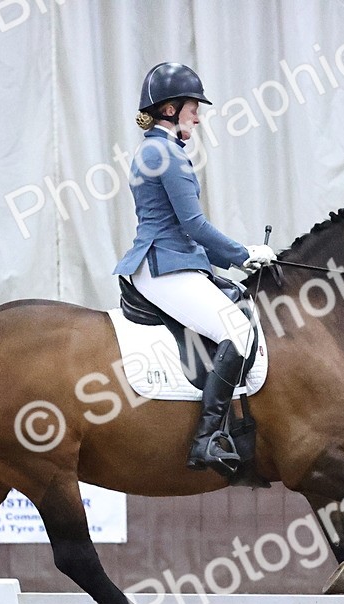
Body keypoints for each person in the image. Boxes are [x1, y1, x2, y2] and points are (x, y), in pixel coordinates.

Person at [113, 62, 276, 476]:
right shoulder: (164, 153)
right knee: (237, 333)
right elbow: (193, 226)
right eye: (192, 108)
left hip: (170, 260)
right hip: (165, 265)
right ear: (169, 109)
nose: (199, 117)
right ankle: (207, 440)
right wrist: (243, 255)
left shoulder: (159, 149)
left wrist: (234, 258)